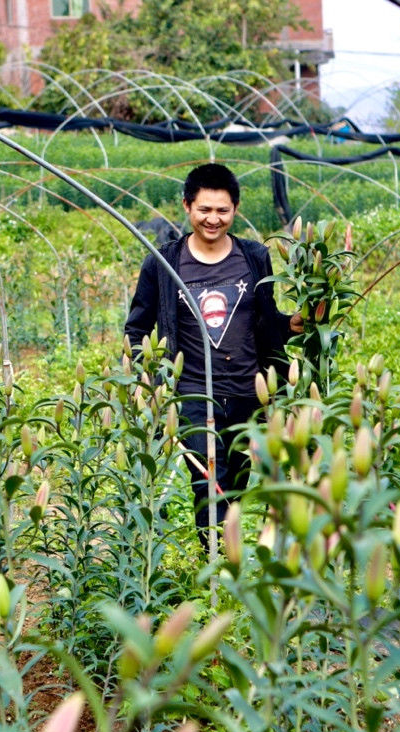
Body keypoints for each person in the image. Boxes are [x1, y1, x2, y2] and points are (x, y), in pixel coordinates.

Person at [124, 163, 304, 552]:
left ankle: (227, 563)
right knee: (209, 484)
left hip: (248, 391)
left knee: (238, 482)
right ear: (188, 207)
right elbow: (136, 329)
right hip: (192, 395)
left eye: (222, 210)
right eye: (204, 209)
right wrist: (148, 378)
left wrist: (295, 323)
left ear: (235, 209)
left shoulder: (254, 257)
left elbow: (267, 322)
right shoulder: (163, 262)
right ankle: (212, 566)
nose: (213, 219)